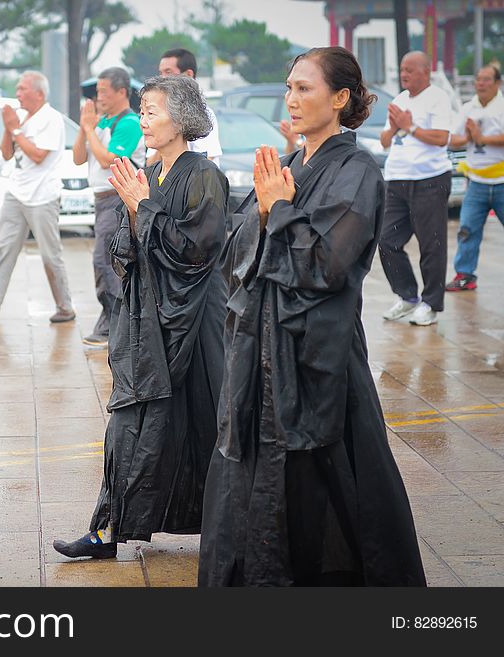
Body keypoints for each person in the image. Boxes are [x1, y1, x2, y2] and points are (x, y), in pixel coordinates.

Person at [198, 47, 426, 586]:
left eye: (305, 88)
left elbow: (326, 265)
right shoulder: (292, 165)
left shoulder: (357, 170)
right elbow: (238, 251)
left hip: (320, 357)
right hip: (263, 353)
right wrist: (263, 209)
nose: (292, 99)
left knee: (332, 487)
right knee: (258, 481)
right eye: (289, 88)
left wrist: (277, 209)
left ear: (341, 98)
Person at [53, 75, 228, 559]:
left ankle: (228, 524)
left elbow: (197, 250)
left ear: (183, 117)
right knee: (130, 424)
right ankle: (109, 527)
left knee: (204, 425)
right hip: (150, 319)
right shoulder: (150, 172)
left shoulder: (204, 175)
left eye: (152, 111)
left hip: (195, 324)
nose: (144, 120)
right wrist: (137, 209)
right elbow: (126, 250)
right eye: (144, 111)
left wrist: (140, 207)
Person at [0, 71, 75, 324]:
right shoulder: (21, 117)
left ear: (39, 93)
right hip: (16, 192)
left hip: (43, 195)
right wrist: (8, 129)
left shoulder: (51, 119)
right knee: (1, 248)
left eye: (22, 89)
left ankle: (65, 307)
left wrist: (15, 129)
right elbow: (7, 154)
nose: (17, 93)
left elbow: (39, 155)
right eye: (17, 89)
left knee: (49, 254)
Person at [378, 51, 452, 326]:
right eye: (401, 69)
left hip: (430, 180)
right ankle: (407, 296)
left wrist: (409, 127)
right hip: (397, 179)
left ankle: (431, 304)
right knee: (386, 240)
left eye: (409, 70)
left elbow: (442, 137)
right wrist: (396, 128)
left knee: (431, 244)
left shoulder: (438, 98)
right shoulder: (399, 100)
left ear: (426, 71)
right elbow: (385, 140)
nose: (404, 74)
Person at [74, 66, 145, 348]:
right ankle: (113, 321)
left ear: (122, 92)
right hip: (101, 200)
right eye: (97, 91)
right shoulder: (102, 121)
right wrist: (84, 129)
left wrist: (91, 129)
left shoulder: (128, 123)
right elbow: (80, 158)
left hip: (116, 199)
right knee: (105, 260)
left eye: (104, 91)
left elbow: (108, 160)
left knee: (105, 261)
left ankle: (114, 322)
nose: (98, 96)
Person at [445, 65, 504, 292]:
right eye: (478, 79)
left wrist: (482, 138)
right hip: (476, 182)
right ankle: (465, 275)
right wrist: (469, 137)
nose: (480, 83)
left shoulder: (501, 105)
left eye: (486, 79)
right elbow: (453, 138)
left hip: (501, 181)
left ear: (497, 83)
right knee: (467, 229)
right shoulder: (468, 107)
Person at [146, 48, 221, 166]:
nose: (162, 78)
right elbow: (150, 165)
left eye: (168, 72)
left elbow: (207, 161)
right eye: (161, 73)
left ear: (188, 74)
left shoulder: (204, 114)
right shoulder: (159, 115)